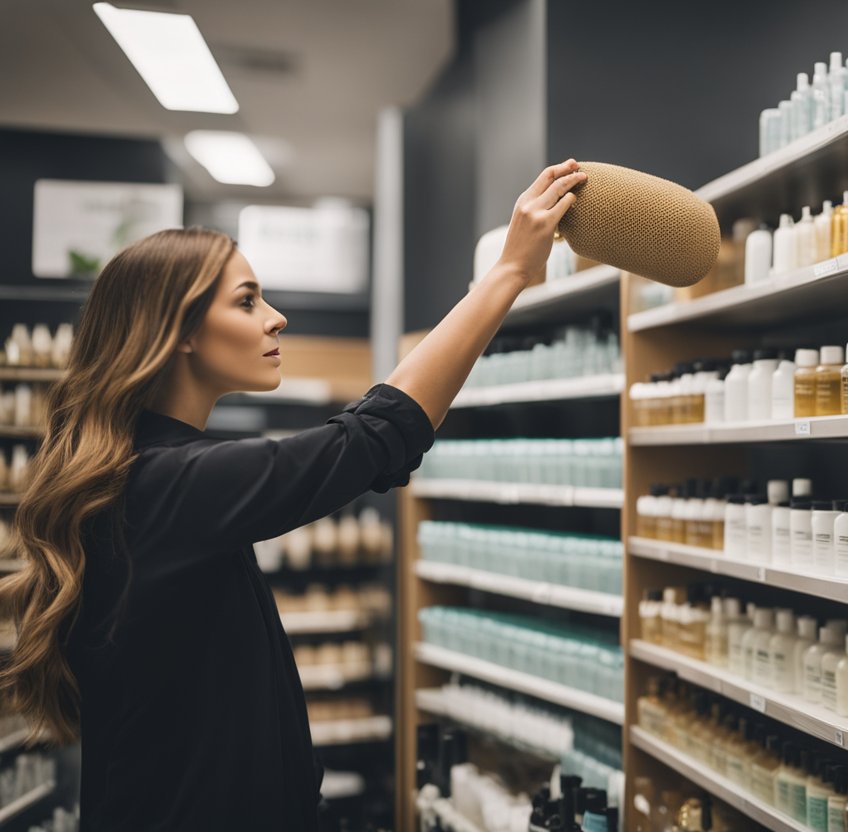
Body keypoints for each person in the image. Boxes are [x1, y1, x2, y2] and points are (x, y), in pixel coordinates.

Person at [0, 160, 587, 831]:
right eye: (247, 301)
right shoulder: (163, 486)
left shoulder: (144, 477)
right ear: (181, 331)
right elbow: (376, 435)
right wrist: (506, 274)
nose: (275, 319)